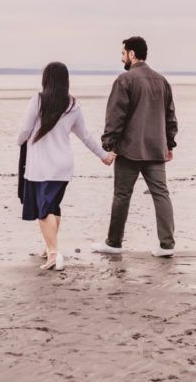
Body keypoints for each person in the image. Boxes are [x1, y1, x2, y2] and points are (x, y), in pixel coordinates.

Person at [17, 62, 114, 271]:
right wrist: (104, 156)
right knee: (53, 207)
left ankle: (53, 254)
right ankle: (48, 246)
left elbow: (24, 129)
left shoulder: (38, 100)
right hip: (63, 166)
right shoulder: (73, 105)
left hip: (42, 167)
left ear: (46, 79)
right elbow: (85, 136)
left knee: (43, 210)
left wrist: (19, 141)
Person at [91, 36, 178, 258]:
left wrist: (108, 145)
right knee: (161, 194)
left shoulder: (125, 80)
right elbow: (170, 117)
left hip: (129, 150)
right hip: (156, 149)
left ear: (132, 54)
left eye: (123, 53)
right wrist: (169, 144)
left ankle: (114, 242)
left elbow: (115, 116)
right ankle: (167, 245)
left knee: (122, 195)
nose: (121, 58)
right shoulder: (161, 81)